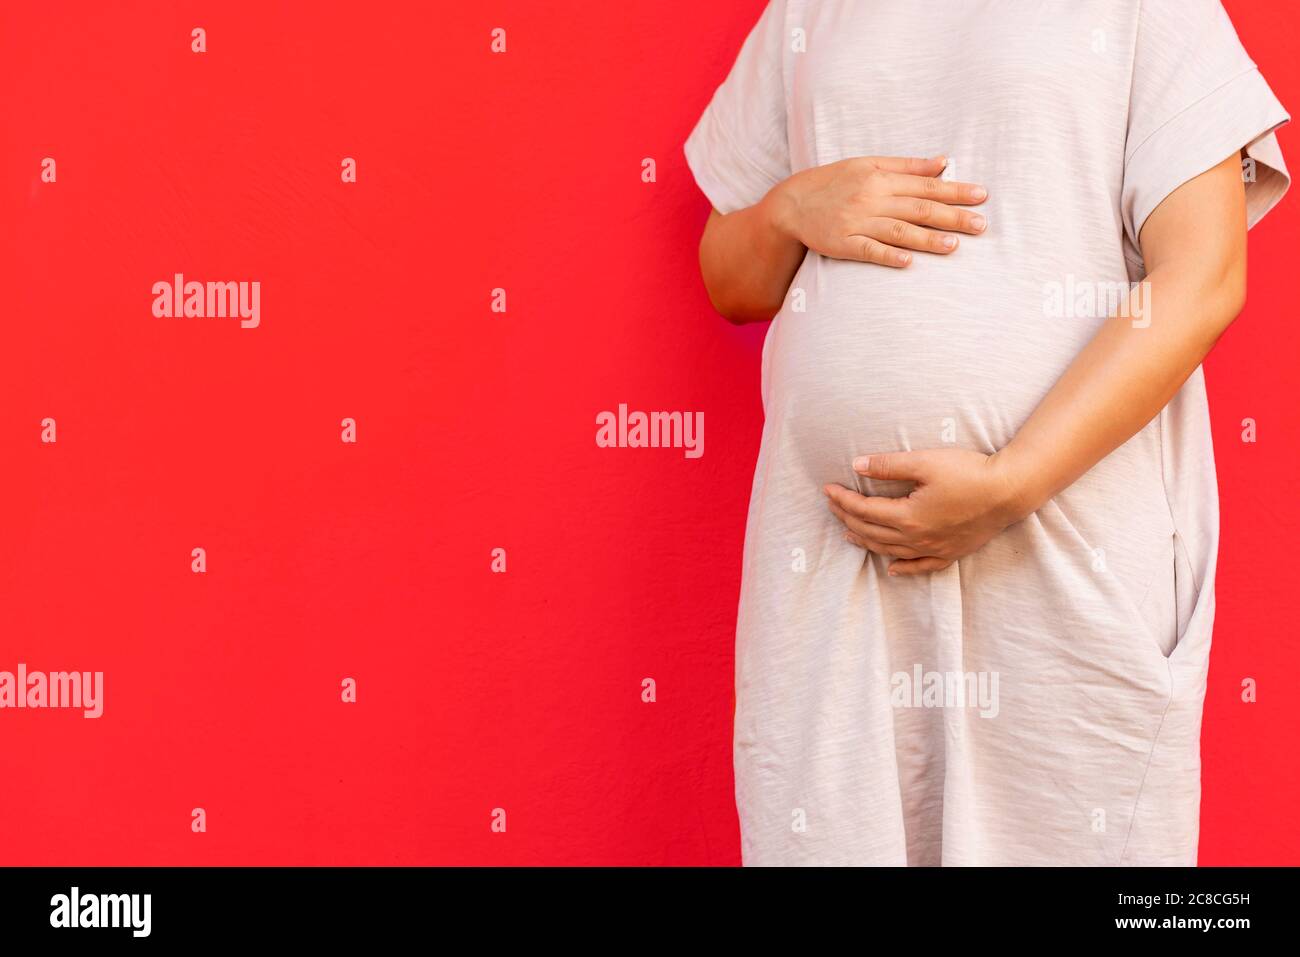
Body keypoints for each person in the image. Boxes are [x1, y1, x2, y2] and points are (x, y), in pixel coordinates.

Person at [684, 0, 1289, 865]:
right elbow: (728, 278)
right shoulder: (811, 9)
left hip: (1059, 543)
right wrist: (788, 208)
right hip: (831, 565)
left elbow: (1203, 274)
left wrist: (1014, 479)